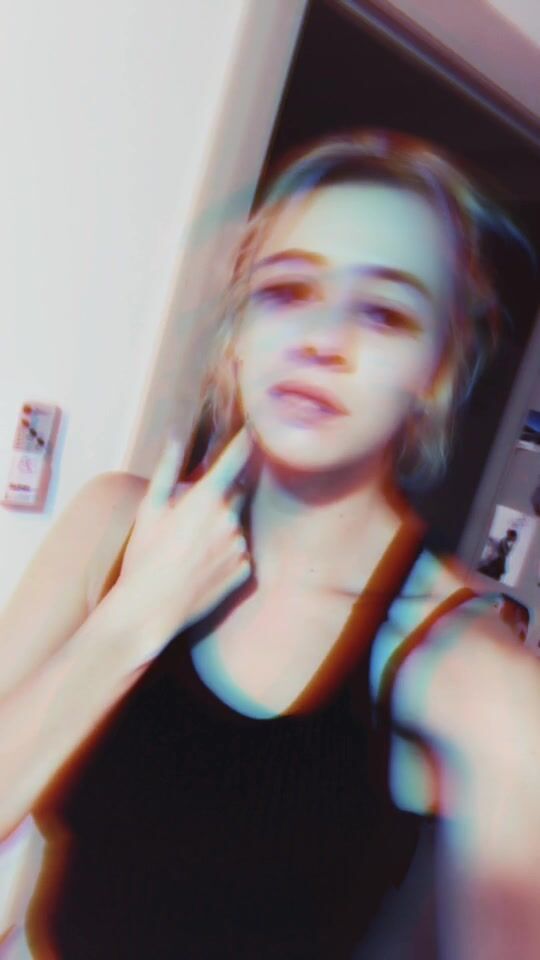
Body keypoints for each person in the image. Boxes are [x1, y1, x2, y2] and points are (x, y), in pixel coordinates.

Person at [1, 130, 540, 960]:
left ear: (436, 369)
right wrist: (133, 620)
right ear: (239, 331)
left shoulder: (480, 679)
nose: (322, 339)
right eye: (287, 291)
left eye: (382, 311)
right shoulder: (113, 527)